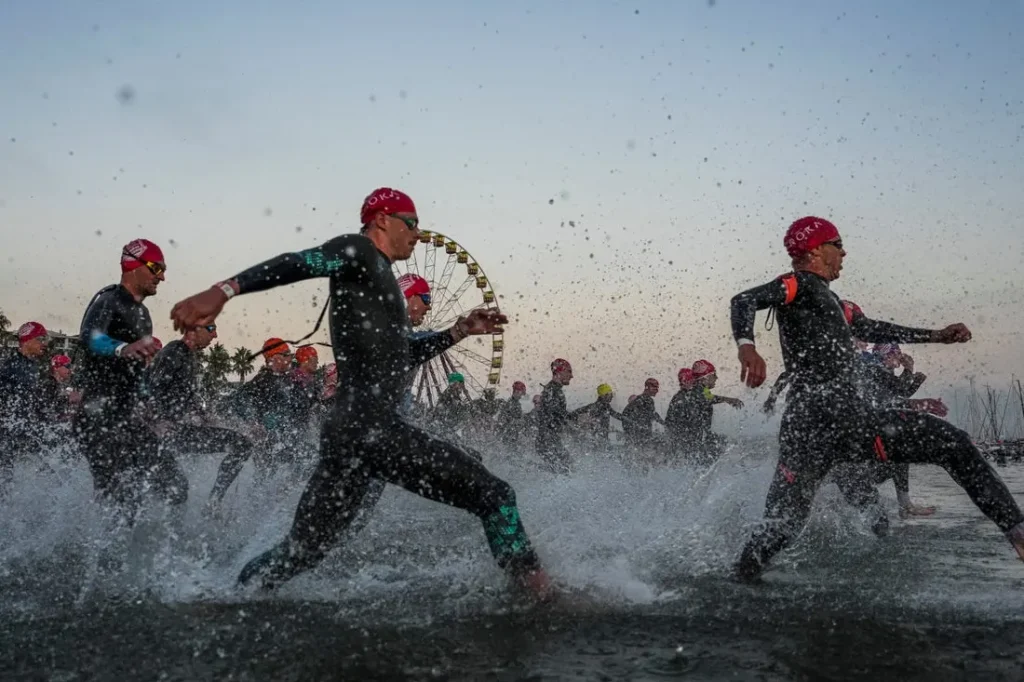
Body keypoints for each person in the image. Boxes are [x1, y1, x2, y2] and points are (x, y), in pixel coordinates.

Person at [169, 187, 550, 597]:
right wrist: (223, 291)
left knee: (303, 551)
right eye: (412, 223)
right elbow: (299, 262)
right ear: (383, 219)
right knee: (495, 496)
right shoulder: (359, 251)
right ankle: (539, 599)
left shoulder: (379, 281)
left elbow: (404, 354)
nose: (418, 234)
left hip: (348, 434)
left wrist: (458, 331)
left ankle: (228, 595)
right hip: (371, 427)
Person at [729, 216, 1024, 581]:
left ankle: (740, 579)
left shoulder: (837, 303)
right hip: (836, 419)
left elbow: (873, 328)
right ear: (816, 249)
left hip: (809, 429)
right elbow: (744, 299)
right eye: (838, 244)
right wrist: (747, 348)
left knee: (782, 526)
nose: (844, 252)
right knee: (953, 442)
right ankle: (1016, 529)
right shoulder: (798, 284)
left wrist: (936, 335)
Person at [73, 239, 187, 519]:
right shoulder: (108, 299)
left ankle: (158, 550)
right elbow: (90, 337)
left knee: (176, 486)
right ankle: (93, 554)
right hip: (96, 418)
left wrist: (149, 404)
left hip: (125, 419)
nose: (162, 276)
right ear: (133, 265)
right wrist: (122, 348)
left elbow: (136, 373)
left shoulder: (143, 314)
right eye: (156, 268)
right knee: (122, 502)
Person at [144, 322, 253, 508]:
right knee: (177, 491)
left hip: (177, 433)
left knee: (241, 444)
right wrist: (156, 422)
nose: (215, 335)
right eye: (211, 328)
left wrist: (221, 422)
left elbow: (192, 402)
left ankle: (213, 502)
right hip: (155, 438)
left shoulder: (190, 357)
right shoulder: (173, 352)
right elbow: (147, 391)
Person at [535, 359, 574, 473]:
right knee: (565, 469)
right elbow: (556, 413)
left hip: (548, 439)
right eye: (569, 371)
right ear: (559, 372)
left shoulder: (553, 389)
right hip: (548, 440)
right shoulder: (553, 390)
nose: (572, 376)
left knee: (562, 470)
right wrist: (576, 418)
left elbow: (556, 414)